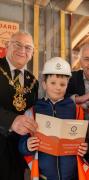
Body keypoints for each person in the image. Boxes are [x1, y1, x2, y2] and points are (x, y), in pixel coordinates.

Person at [19, 57, 88, 180]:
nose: (58, 87)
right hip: (43, 176)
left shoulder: (77, 110)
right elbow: (21, 143)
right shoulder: (33, 111)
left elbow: (85, 140)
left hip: (72, 176)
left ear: (67, 85)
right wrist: (27, 146)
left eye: (62, 84)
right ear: (44, 84)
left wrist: (84, 148)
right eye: (53, 83)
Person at [0, 31, 38, 180]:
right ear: (7, 45)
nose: (23, 50)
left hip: (20, 152)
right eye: (18, 44)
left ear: (33, 53)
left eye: (28, 47)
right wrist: (11, 121)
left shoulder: (33, 81)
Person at [66, 43, 89, 108]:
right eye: (87, 59)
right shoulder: (71, 78)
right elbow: (60, 96)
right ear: (80, 62)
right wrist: (80, 99)